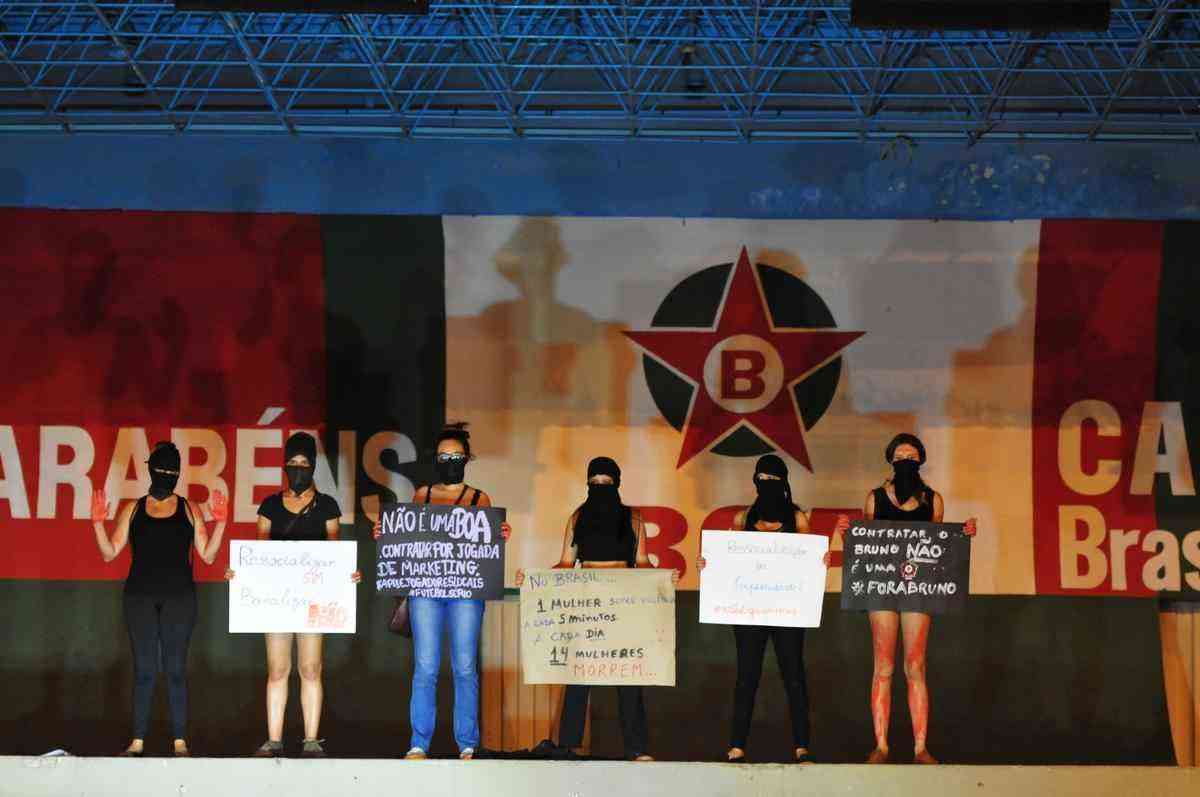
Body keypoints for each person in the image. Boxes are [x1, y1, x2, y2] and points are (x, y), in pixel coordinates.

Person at [516, 456, 680, 762]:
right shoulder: (577, 518)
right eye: (595, 483)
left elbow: (642, 563)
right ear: (587, 484)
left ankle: (637, 747)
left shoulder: (634, 518)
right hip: (588, 601)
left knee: (629, 677)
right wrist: (533, 578)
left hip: (623, 602)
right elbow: (566, 564)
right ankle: (568, 745)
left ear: (617, 483)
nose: (600, 488)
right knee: (578, 674)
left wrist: (664, 579)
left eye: (606, 483)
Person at [832, 433, 978, 765]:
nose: (906, 458)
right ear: (891, 460)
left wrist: (965, 533)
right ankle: (881, 745)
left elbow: (942, 545)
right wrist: (846, 532)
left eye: (912, 454)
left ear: (921, 460)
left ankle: (920, 747)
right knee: (883, 666)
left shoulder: (933, 500)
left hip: (919, 590)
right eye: (900, 454)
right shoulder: (874, 498)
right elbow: (865, 543)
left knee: (915, 665)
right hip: (881, 589)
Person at [372, 423, 513, 761]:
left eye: (456, 455)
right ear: (436, 459)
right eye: (444, 456)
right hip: (426, 588)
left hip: (466, 590)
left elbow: (485, 545)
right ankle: (419, 741)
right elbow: (409, 537)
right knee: (426, 666)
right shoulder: (423, 495)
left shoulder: (481, 499)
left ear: (466, 458)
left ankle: (468, 742)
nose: (450, 460)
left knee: (465, 666)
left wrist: (499, 534)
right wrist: (386, 534)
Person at [226, 432, 360, 758]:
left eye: (304, 462)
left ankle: (311, 740)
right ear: (285, 465)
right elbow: (258, 552)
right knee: (277, 668)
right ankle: (274, 740)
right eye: (293, 462)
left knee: (311, 668)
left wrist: (347, 576)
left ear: (312, 465)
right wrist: (240, 573)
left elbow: (334, 553)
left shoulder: (327, 505)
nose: (298, 468)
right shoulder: (270, 505)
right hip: (276, 599)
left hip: (313, 599)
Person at [90, 441, 228, 757]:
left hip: (179, 599)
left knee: (176, 668)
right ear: (150, 468)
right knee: (144, 669)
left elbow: (207, 556)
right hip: (139, 597)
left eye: (172, 470)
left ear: (179, 474)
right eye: (162, 468)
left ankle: (180, 741)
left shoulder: (190, 508)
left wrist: (221, 523)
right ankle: (137, 741)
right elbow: (110, 552)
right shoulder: (134, 508)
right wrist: (97, 523)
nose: (167, 474)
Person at [696, 454, 815, 763]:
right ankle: (737, 745)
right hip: (749, 610)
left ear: (784, 483)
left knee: (794, 676)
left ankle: (802, 745)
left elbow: (808, 563)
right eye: (762, 480)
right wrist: (709, 564)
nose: (767, 485)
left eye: (773, 481)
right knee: (747, 676)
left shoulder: (798, 518)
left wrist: (820, 561)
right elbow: (728, 561)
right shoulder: (743, 518)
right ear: (755, 482)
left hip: (787, 610)